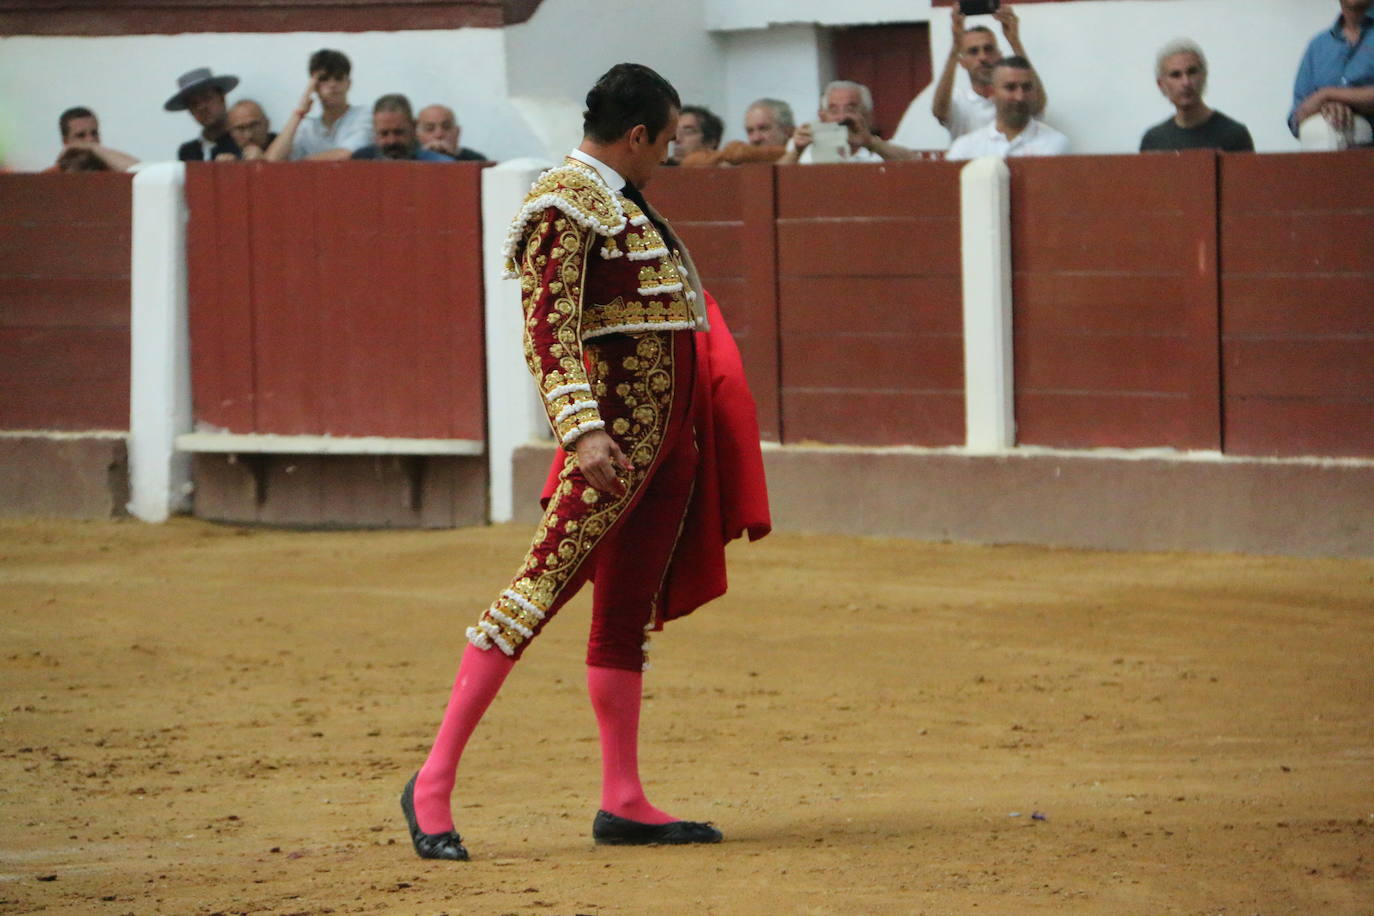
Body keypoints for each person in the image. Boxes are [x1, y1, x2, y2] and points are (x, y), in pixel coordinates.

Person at [399, 61, 770, 860]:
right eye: (666, 140)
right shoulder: (564, 203)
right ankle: (429, 784)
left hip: (666, 449)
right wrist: (579, 431)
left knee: (624, 618)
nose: (669, 155)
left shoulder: (625, 205)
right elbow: (548, 329)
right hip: (610, 453)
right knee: (531, 597)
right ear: (637, 136)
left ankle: (622, 799)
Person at [931, 4, 1049, 143]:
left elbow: (1038, 103)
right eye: (973, 51)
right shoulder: (958, 100)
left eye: (988, 49)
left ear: (999, 56)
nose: (983, 57)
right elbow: (939, 111)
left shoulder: (1014, 96)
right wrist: (955, 48)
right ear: (962, 62)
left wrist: (1014, 41)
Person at [1140, 40, 1254, 152]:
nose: (1186, 82)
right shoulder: (1153, 141)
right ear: (1161, 85)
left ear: (1204, 76)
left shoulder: (1234, 136)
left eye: (1192, 72)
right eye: (1176, 75)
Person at [946, 56, 1068, 160]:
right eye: (1010, 88)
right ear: (992, 92)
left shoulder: (1055, 144)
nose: (1020, 97)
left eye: (1026, 88)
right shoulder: (965, 149)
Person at [1289, 0, 1374, 149]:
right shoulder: (1318, 46)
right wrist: (1324, 108)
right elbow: (1296, 119)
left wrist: (1327, 95)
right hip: (1323, 165)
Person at [264, 49, 371, 161]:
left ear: (349, 84)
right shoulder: (306, 128)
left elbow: (346, 154)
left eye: (338, 78)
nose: (332, 84)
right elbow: (272, 161)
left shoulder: (364, 115)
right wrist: (299, 113)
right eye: (324, 79)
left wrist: (298, 164)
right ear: (314, 86)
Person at [779, 80, 916, 164]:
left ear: (868, 116)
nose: (842, 117)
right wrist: (797, 152)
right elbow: (774, 181)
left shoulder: (881, 150)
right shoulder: (803, 147)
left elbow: (917, 166)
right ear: (822, 117)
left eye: (851, 109)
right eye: (833, 110)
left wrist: (870, 143)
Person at [678, 98, 792, 167]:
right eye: (750, 131)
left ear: (787, 130)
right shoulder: (741, 161)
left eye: (764, 129)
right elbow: (689, 162)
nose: (755, 138)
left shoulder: (807, 156)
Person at [350, 94, 458, 161]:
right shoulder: (360, 160)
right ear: (374, 130)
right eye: (384, 133)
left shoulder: (438, 164)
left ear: (413, 126)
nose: (391, 141)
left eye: (398, 132)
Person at [165, 67, 240, 161]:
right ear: (190, 111)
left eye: (207, 98)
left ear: (222, 98)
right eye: (194, 104)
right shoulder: (188, 152)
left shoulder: (242, 140)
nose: (201, 107)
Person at [50, 106, 139, 172]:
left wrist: (93, 148)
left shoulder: (110, 170)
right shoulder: (54, 174)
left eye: (94, 133)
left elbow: (140, 172)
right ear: (66, 141)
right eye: (81, 135)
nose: (90, 140)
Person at [415, 104, 487, 160]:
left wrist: (452, 157)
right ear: (417, 135)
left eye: (446, 127)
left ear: (457, 132)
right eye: (430, 129)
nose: (439, 135)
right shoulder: (411, 159)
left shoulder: (476, 160)